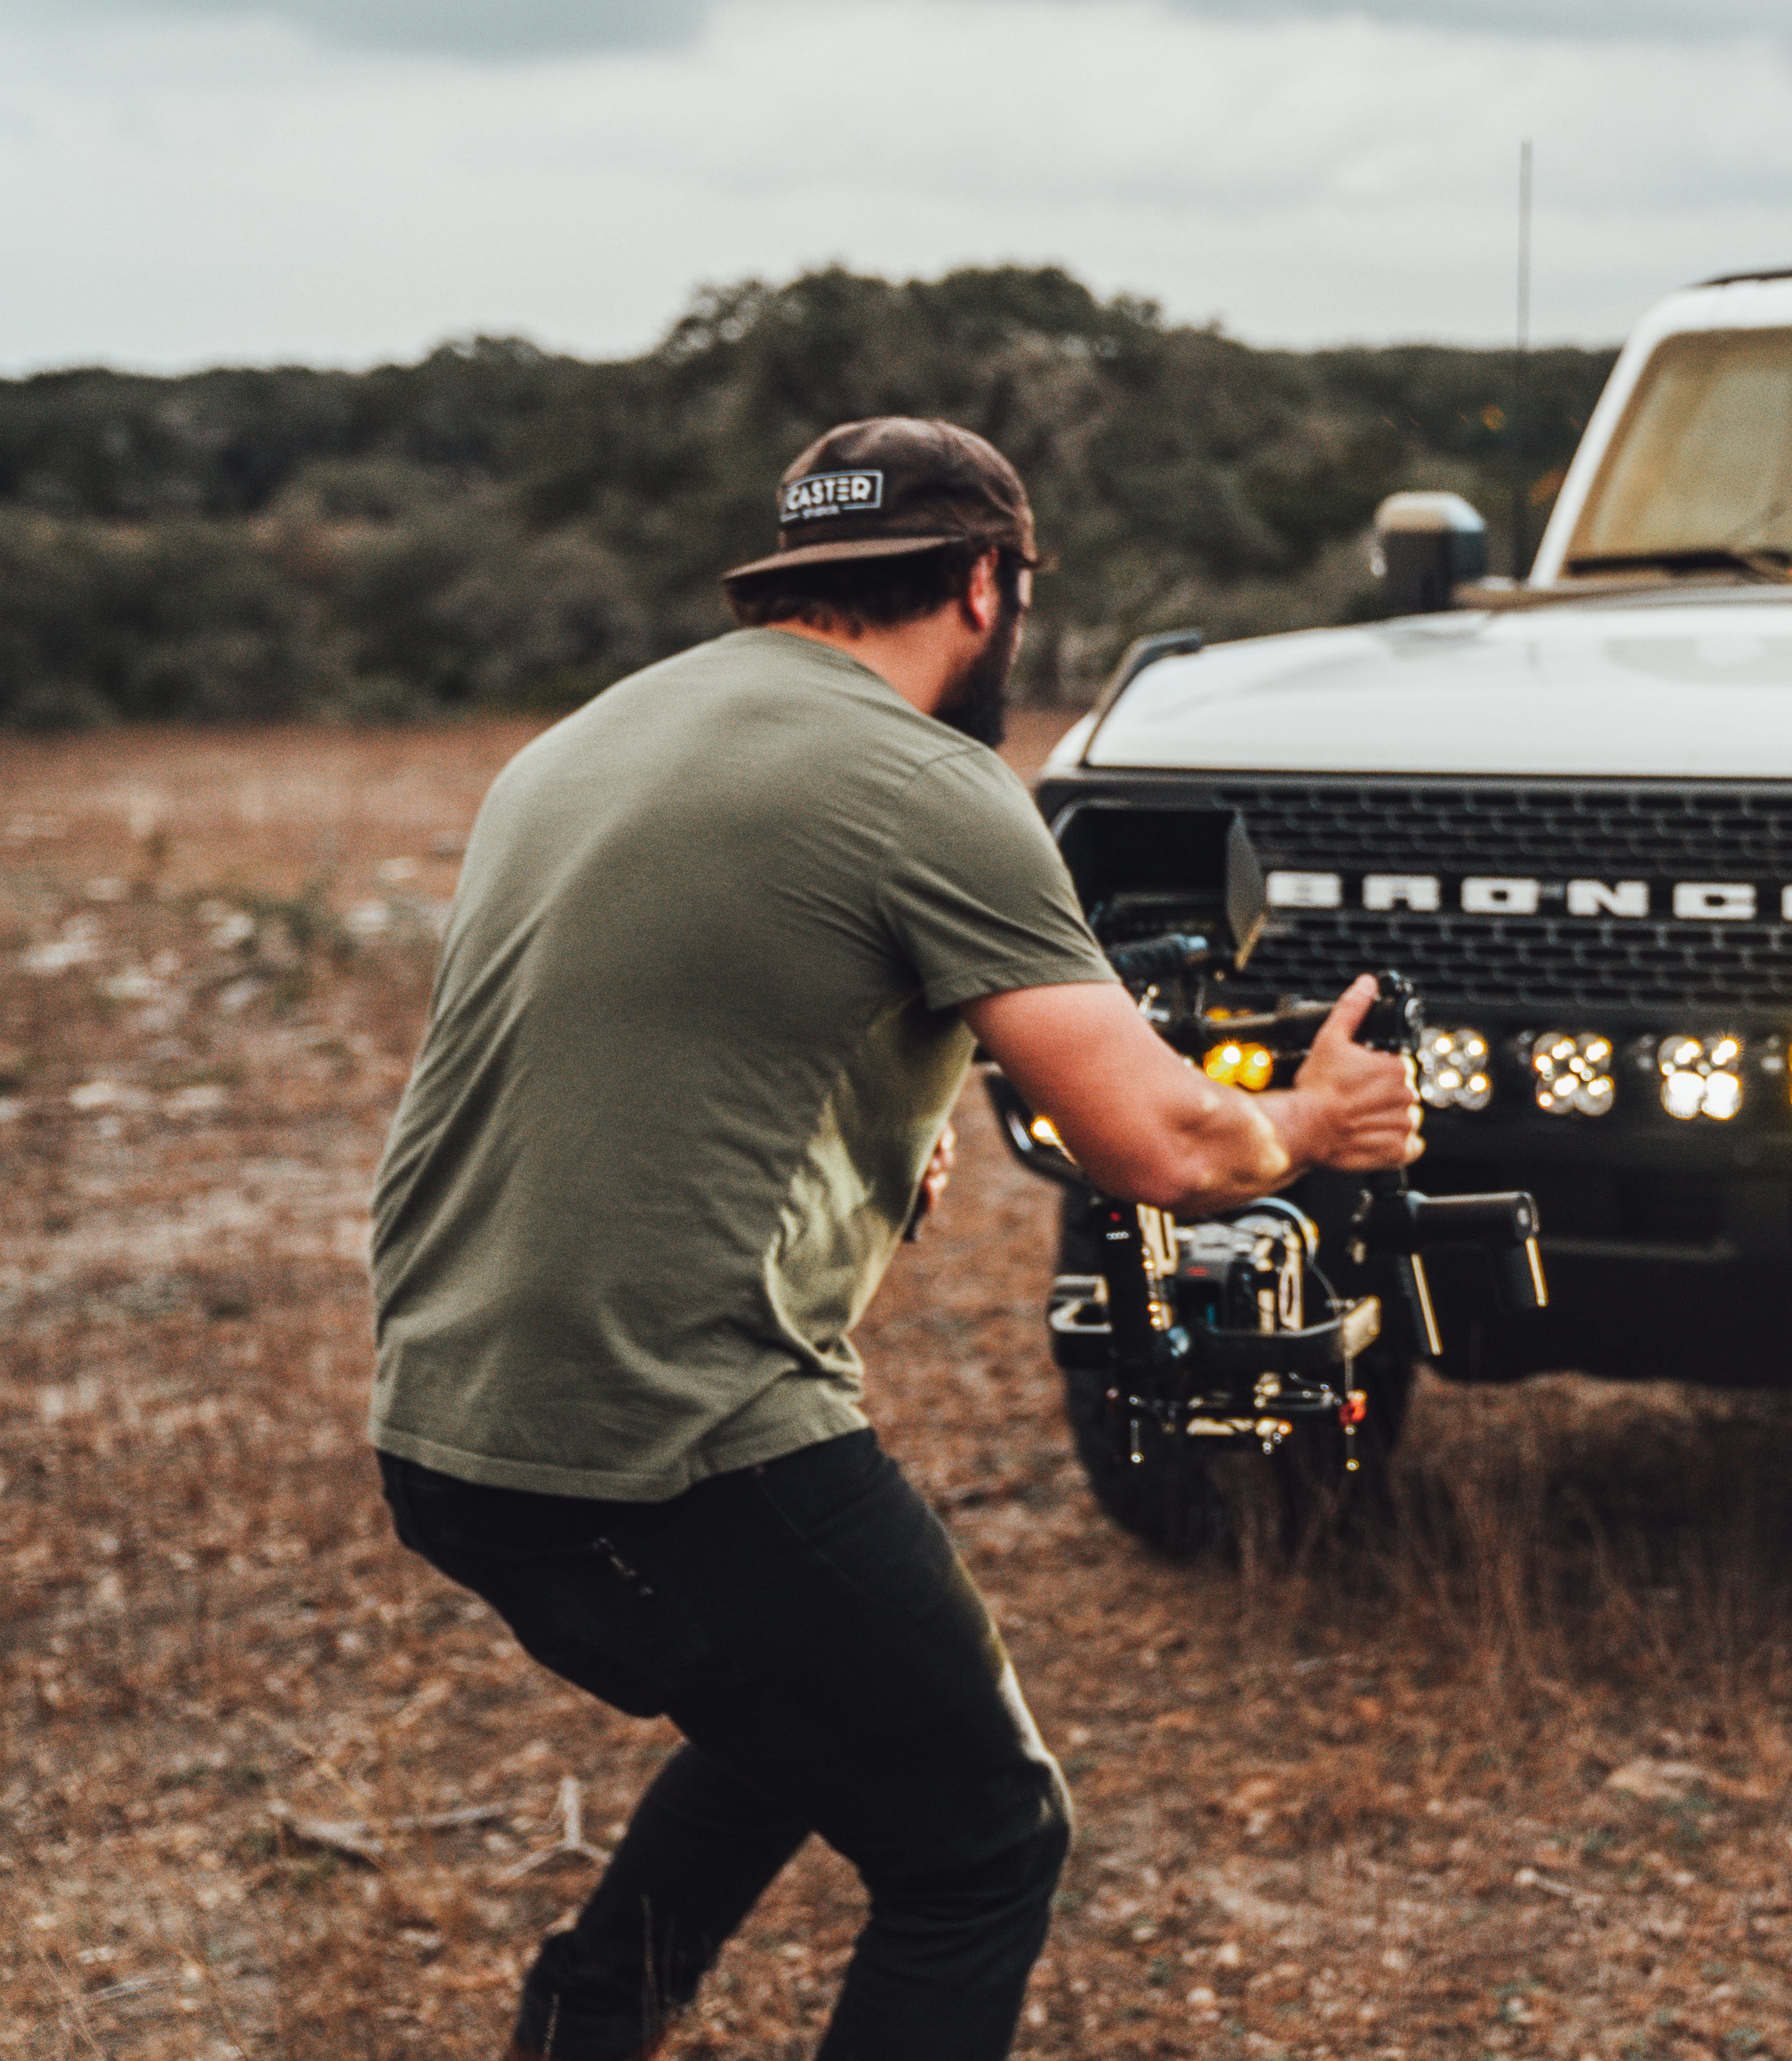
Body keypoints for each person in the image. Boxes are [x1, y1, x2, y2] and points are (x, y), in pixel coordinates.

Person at [366, 416, 1421, 2061]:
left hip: (443, 1428)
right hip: (675, 1436)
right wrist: (1312, 1121)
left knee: (791, 1719)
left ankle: (580, 2034)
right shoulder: (923, 781)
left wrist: (880, 1129)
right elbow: (1161, 1144)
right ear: (988, 586)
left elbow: (658, 1028)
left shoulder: (588, 740)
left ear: (801, 578)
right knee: (985, 1842)